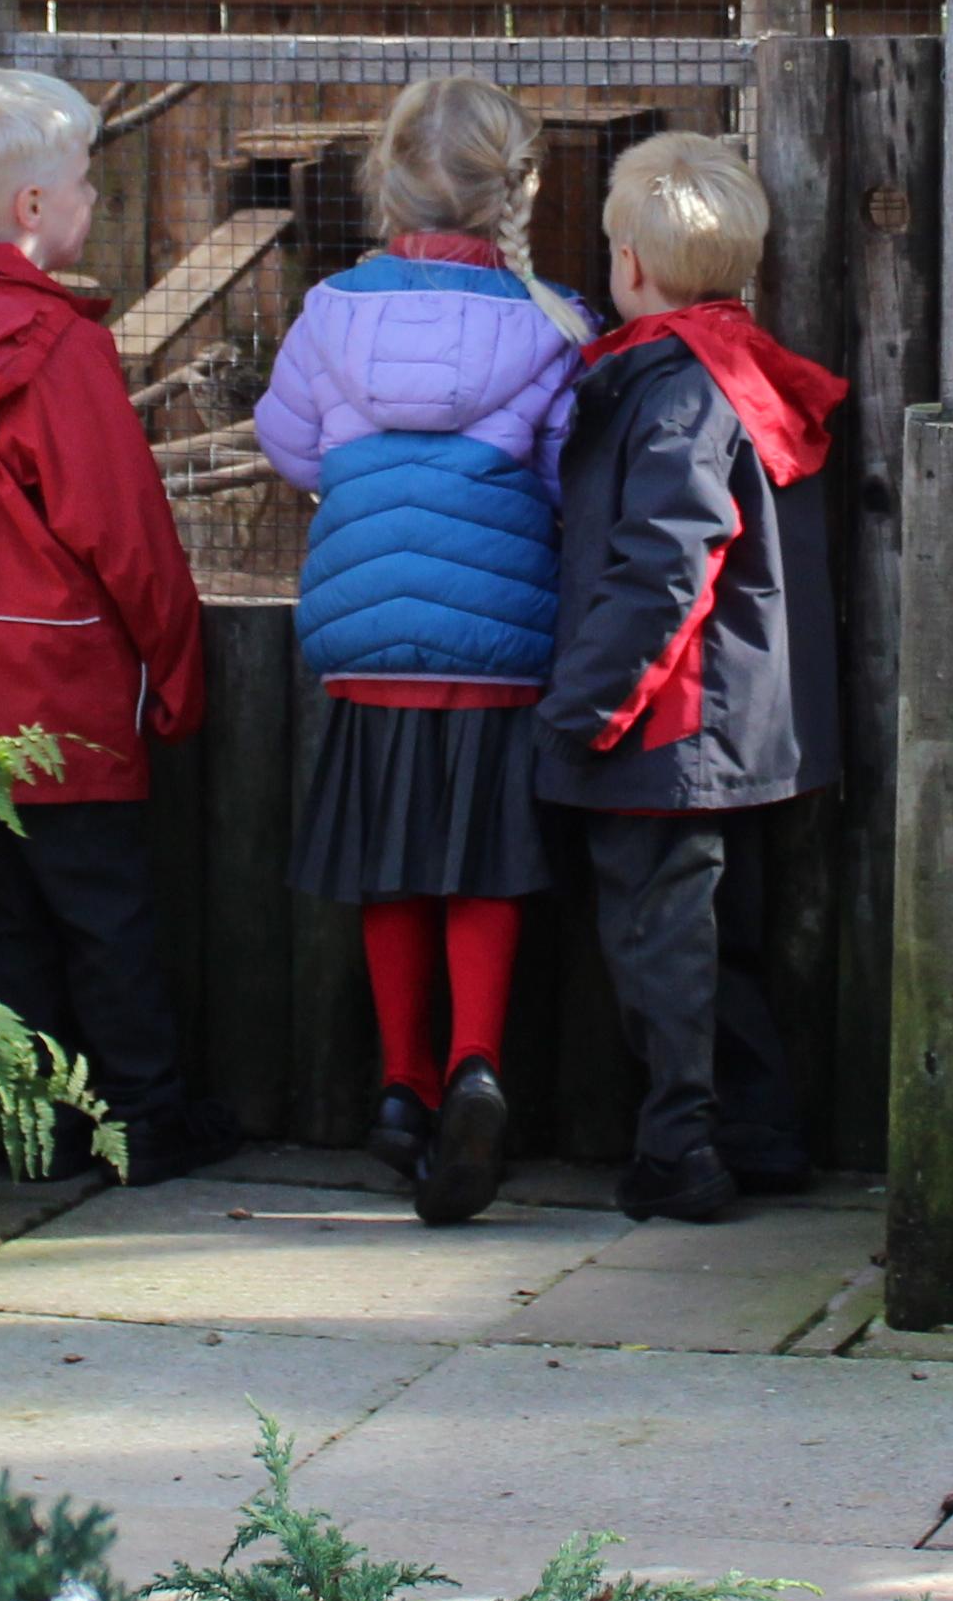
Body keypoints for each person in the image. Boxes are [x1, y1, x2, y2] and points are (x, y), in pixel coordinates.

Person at [0, 61, 234, 1184]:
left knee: (4, 926)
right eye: (83, 181)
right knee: (105, 918)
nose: (92, 198)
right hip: (60, 699)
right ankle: (147, 1121)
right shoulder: (56, 350)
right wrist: (178, 669)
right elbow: (126, 532)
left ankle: (38, 1131)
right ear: (33, 207)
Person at [254, 77, 594, 1225]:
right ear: (517, 192)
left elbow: (291, 447)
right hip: (497, 648)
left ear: (387, 183)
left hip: (368, 650)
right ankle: (475, 1066)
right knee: (482, 864)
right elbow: (569, 474)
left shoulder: (329, 311)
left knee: (386, 865)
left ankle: (401, 1087)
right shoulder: (554, 325)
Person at [535, 130, 847, 1225]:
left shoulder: (675, 390)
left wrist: (587, 706)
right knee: (720, 941)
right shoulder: (739, 369)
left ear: (628, 263)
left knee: (658, 942)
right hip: (740, 721)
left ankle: (682, 1151)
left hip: (662, 723)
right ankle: (754, 1133)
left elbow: (665, 566)